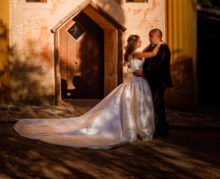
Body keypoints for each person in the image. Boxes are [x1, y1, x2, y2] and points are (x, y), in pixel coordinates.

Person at [12, 35, 158, 148]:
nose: (142, 42)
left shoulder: (131, 54)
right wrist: (160, 44)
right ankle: (140, 129)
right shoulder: (138, 55)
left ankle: (137, 127)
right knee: (138, 106)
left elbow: (144, 52)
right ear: (135, 43)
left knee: (133, 105)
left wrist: (150, 45)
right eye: (140, 40)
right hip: (137, 82)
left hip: (133, 82)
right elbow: (151, 54)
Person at [133, 28, 171, 137]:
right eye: (149, 35)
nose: (149, 37)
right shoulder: (152, 47)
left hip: (159, 80)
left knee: (157, 103)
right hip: (150, 80)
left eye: (151, 35)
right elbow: (148, 55)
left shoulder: (163, 47)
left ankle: (162, 129)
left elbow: (158, 65)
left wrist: (144, 72)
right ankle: (154, 127)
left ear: (158, 37)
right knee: (153, 104)